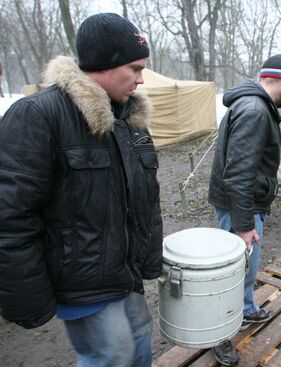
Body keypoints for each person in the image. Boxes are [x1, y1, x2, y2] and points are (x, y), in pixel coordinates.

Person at [0, 13, 162, 367]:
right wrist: (27, 297)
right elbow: (11, 216)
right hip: (82, 279)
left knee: (138, 344)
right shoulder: (38, 115)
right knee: (110, 354)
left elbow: (147, 198)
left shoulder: (129, 120)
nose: (141, 78)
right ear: (103, 63)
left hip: (125, 273)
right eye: (134, 68)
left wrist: (149, 260)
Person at [208, 55, 281, 366]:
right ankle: (220, 336)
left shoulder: (251, 104)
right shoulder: (256, 111)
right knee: (233, 273)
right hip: (241, 207)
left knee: (245, 269)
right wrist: (244, 224)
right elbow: (239, 173)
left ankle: (245, 309)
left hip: (243, 204)